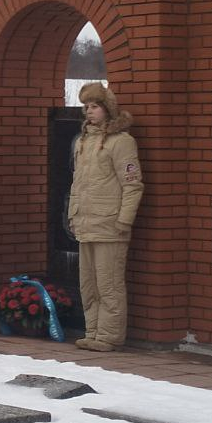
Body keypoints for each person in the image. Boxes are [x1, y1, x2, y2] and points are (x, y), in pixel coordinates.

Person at [67, 82, 144, 353]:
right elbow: (78, 183)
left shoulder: (122, 142)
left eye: (95, 106)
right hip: (86, 223)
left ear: (108, 109)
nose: (89, 111)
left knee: (108, 284)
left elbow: (132, 184)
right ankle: (93, 331)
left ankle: (110, 336)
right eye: (86, 107)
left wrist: (124, 220)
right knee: (88, 285)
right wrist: (73, 213)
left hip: (110, 224)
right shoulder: (84, 142)